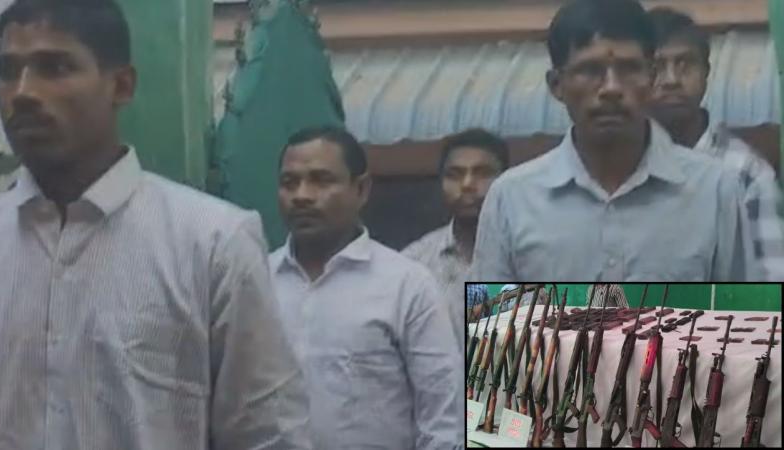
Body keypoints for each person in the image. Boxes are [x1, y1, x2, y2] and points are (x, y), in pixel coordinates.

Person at [0, 1, 311, 449]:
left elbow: (269, 437)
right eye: (8, 71)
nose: (22, 92)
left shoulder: (213, 244)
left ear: (121, 85)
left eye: (54, 67)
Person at [472, 0, 753, 281]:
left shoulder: (716, 191)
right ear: (556, 85)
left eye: (629, 69)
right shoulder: (511, 199)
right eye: (590, 70)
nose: (612, 88)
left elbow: (742, 308)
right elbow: (490, 312)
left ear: (651, 77)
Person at [270, 126, 463, 450]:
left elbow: (442, 414)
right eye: (290, 183)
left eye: (321, 180)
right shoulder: (258, 281)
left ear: (361, 189)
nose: (302, 195)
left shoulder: (406, 285)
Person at [647, 7, 784, 281]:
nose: (672, 80)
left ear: (706, 72)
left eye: (685, 64)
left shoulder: (746, 172)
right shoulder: (616, 168)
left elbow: (772, 283)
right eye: (657, 67)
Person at [402, 129, 508, 331]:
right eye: (454, 175)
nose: (467, 184)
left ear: (506, 180)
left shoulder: (530, 255)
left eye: (482, 173)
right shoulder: (414, 263)